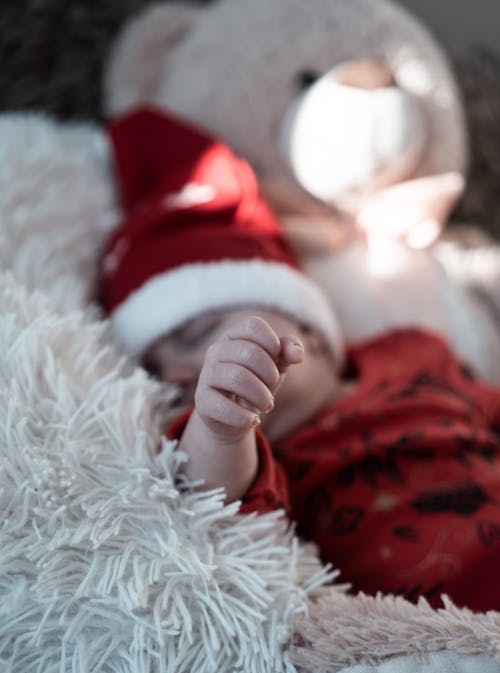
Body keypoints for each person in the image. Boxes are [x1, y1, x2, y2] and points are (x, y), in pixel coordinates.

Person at [101, 106, 500, 613]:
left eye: (199, 332)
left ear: (306, 325)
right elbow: (213, 502)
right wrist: (221, 430)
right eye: (157, 372)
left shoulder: (410, 351)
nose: (178, 372)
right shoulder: (265, 453)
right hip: (444, 635)